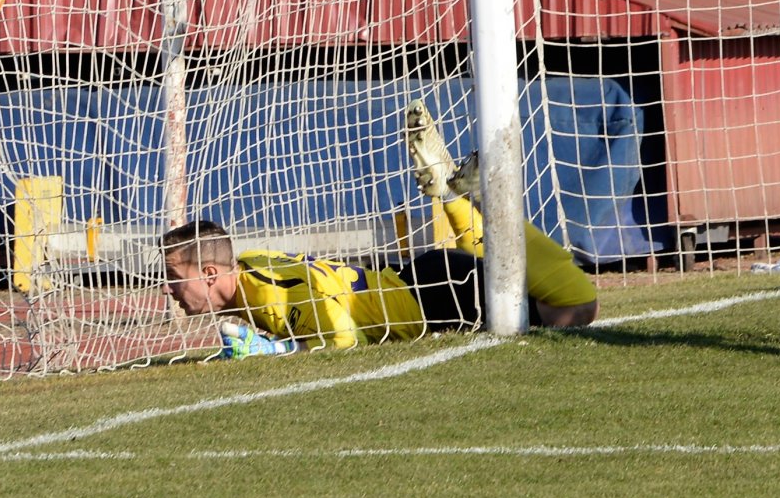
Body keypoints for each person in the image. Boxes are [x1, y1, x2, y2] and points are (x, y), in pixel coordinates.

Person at [160, 102, 598, 355]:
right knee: (497, 266)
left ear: (212, 273)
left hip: (428, 298)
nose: (169, 291)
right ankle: (452, 196)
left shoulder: (269, 296)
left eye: (175, 279)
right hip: (416, 281)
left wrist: (278, 350)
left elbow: (342, 337)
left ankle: (475, 196)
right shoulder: (251, 269)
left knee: (574, 309)